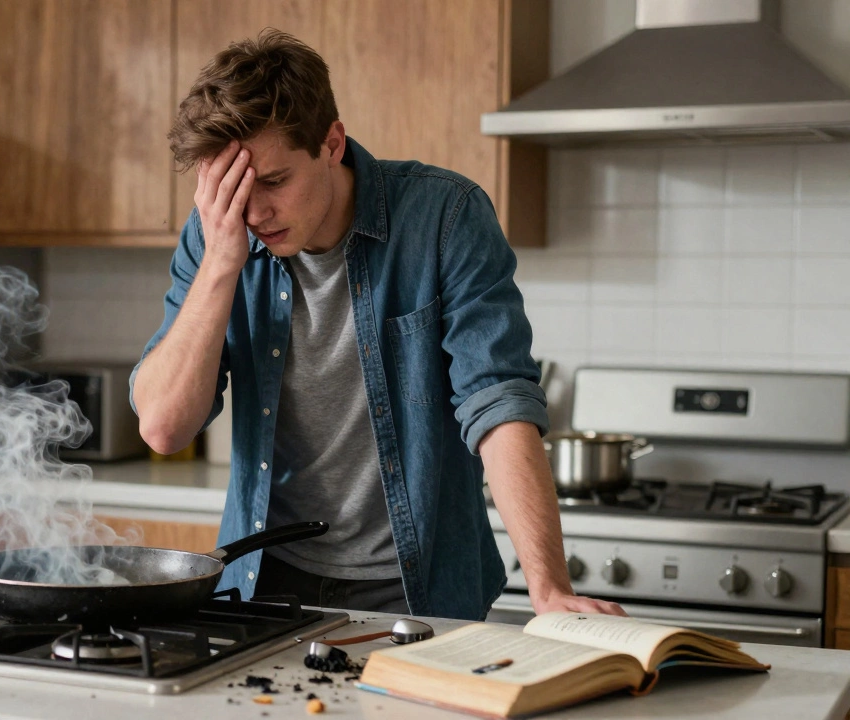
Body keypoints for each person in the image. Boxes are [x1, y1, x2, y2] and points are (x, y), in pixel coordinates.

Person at [129, 29, 624, 620]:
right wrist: (220, 263)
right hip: (266, 580)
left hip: (418, 586)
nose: (253, 212)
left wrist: (548, 588)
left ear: (332, 143)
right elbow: (164, 429)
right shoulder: (217, 233)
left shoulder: (445, 217)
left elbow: (497, 401)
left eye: (274, 181)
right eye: (234, 190)